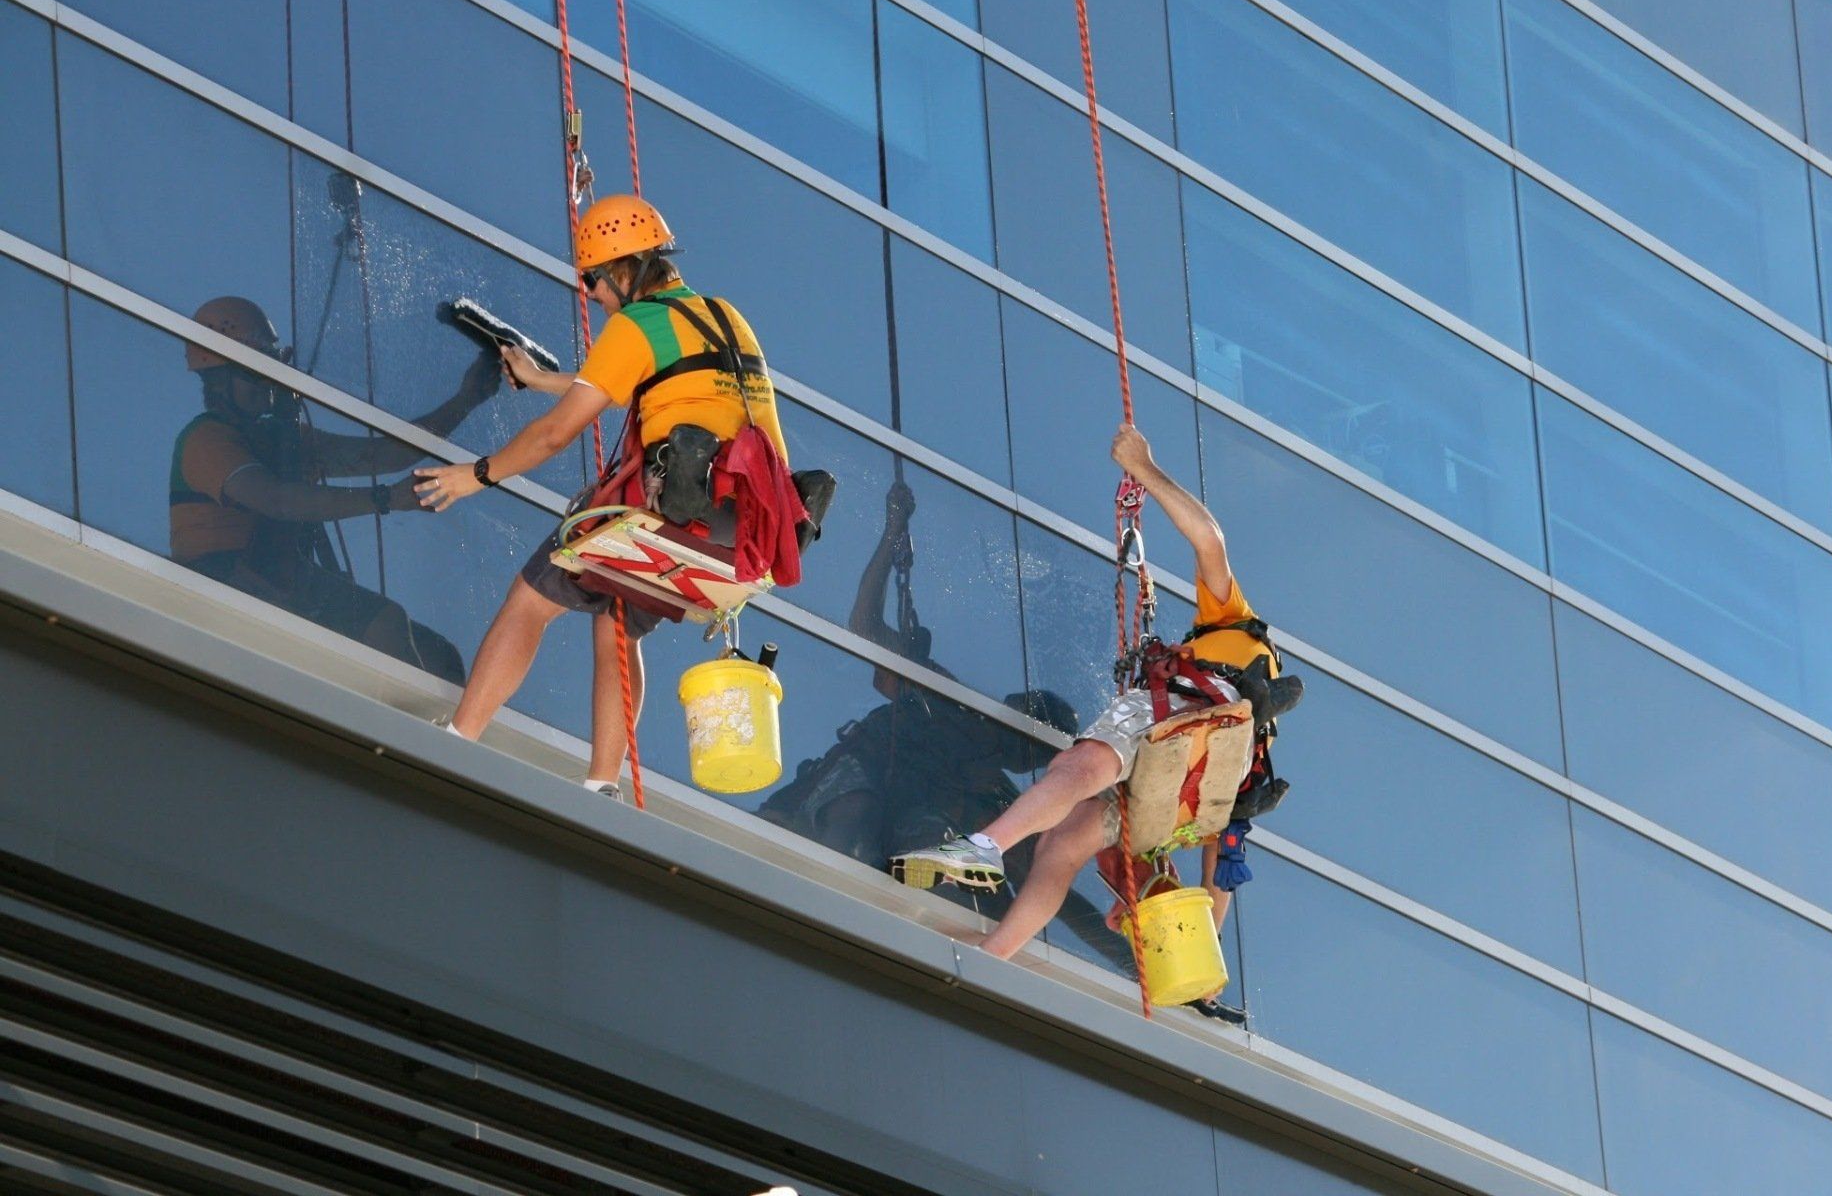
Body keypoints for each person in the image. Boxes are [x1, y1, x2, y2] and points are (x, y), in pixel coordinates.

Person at [890, 424, 1300, 978]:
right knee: (1060, 844)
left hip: (1178, 722)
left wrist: (1145, 467)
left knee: (1081, 766)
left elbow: (1209, 540)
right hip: (1173, 802)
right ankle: (993, 959)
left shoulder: (1231, 627)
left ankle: (985, 847)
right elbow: (1223, 857)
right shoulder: (1249, 752)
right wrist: (1207, 943)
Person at [413, 195, 789, 796]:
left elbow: (556, 433)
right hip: (732, 524)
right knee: (618, 622)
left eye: (592, 280)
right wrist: (541, 379)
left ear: (623, 270)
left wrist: (475, 475)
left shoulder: (638, 323)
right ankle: (602, 785)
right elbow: (645, 378)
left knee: (531, 600)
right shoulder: (721, 316)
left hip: (668, 502)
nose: (590, 293)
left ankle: (458, 740)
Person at [173, 296, 494, 683]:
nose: (266, 382)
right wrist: (384, 498)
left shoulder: (281, 439)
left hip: (279, 579)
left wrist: (466, 400)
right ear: (219, 381)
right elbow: (276, 500)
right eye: (252, 371)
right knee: (387, 625)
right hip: (228, 585)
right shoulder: (207, 440)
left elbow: (386, 456)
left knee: (439, 657)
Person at [759, 481, 1079, 866]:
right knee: (854, 821)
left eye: (1032, 751)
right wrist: (892, 532)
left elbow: (1035, 863)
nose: (1009, 750)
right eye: (1024, 735)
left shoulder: (998, 799)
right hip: (852, 789)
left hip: (904, 829)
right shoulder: (951, 703)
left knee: (935, 850)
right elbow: (865, 625)